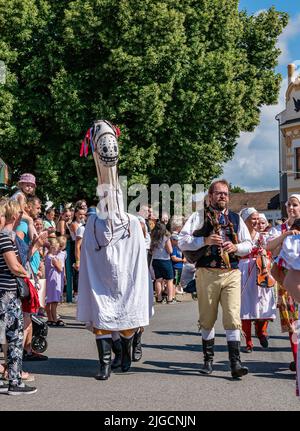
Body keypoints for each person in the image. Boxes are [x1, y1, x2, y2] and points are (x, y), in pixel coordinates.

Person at [77, 119, 152, 380]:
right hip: (102, 279)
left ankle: (126, 348)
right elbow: (87, 253)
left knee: (127, 320)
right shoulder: (92, 224)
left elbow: (140, 254)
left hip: (126, 280)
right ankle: (104, 364)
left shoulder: (133, 223)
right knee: (101, 316)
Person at [178, 179, 252, 378]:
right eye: (218, 193)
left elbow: (249, 244)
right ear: (210, 196)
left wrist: (236, 247)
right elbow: (182, 241)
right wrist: (205, 240)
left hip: (231, 273)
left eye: (225, 194)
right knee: (207, 317)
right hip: (207, 272)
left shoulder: (236, 218)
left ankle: (235, 363)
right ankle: (208, 360)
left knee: (232, 316)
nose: (222, 196)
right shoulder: (198, 217)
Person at [0, 200, 37, 395]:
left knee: (3, 336)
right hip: (7, 294)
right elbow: (14, 266)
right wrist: (27, 274)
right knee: (14, 337)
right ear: (14, 216)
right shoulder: (5, 238)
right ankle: (15, 382)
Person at [266, 194, 300, 372]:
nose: (291, 208)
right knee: (292, 323)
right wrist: (286, 234)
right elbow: (268, 247)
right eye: (289, 205)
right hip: (286, 279)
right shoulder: (279, 229)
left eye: (295, 205)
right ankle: (297, 357)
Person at [239, 208, 276, 353]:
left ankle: (261, 331)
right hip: (244, 269)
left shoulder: (263, 237)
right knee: (246, 306)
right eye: (252, 218)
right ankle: (248, 342)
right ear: (245, 220)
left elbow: (270, 250)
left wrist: (265, 252)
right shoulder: (239, 236)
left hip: (261, 269)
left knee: (263, 302)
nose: (256, 221)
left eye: (257, 218)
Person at [15, 196, 48, 361]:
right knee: (26, 315)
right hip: (25, 274)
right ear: (27, 207)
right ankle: (21, 353)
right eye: (37, 207)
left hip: (31, 272)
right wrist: (36, 246)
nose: (39, 211)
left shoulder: (27, 224)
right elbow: (18, 251)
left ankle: (27, 350)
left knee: (30, 314)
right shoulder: (22, 224)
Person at [150, 221, 174, 304]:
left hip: (155, 260)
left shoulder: (153, 236)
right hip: (165, 260)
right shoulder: (165, 237)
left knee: (158, 280)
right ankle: (170, 298)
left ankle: (159, 298)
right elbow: (170, 250)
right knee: (169, 280)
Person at [45, 238, 65, 326]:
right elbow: (60, 268)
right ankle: (54, 319)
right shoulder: (53, 258)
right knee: (54, 301)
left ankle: (50, 318)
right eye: (57, 247)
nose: (58, 249)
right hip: (54, 281)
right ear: (52, 248)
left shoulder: (47, 256)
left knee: (49, 301)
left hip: (50, 280)